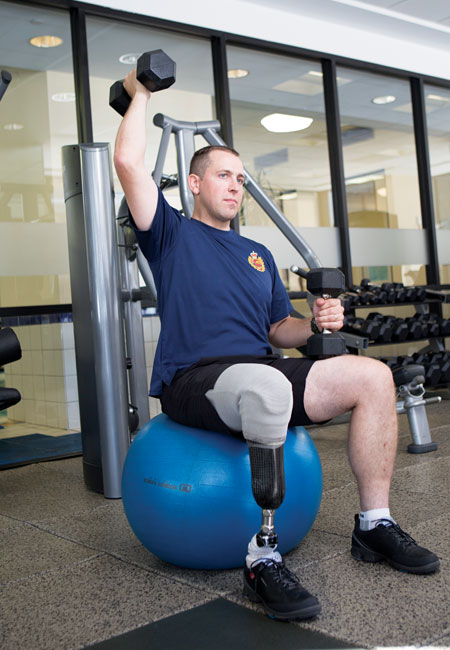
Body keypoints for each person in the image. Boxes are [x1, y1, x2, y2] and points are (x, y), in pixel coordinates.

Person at [114, 69, 440, 622]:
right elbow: (128, 164)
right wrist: (140, 93)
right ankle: (261, 555)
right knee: (266, 384)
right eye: (223, 175)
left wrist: (315, 328)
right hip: (196, 378)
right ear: (195, 185)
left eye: (240, 178)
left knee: (373, 377)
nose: (235, 186)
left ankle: (374, 524)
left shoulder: (257, 255)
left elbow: (276, 330)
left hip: (260, 367)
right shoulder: (169, 233)